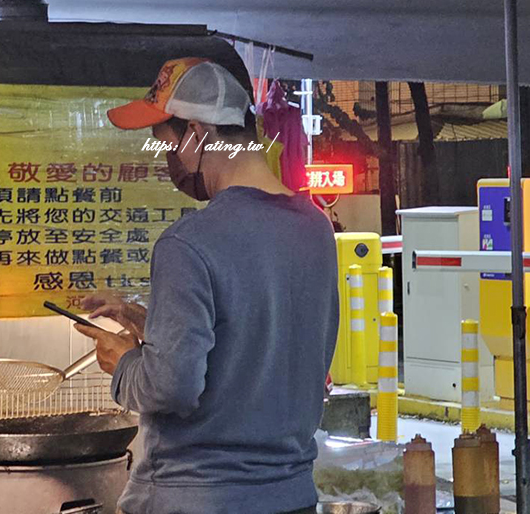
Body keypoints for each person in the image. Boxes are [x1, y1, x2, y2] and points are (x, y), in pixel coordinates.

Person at [75, 57, 339, 514]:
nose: (167, 162)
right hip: (293, 497)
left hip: (197, 498)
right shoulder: (315, 229)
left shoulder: (187, 244)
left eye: (165, 144)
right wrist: (150, 323)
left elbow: (173, 387)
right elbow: (265, 343)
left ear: (197, 135)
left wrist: (125, 364)